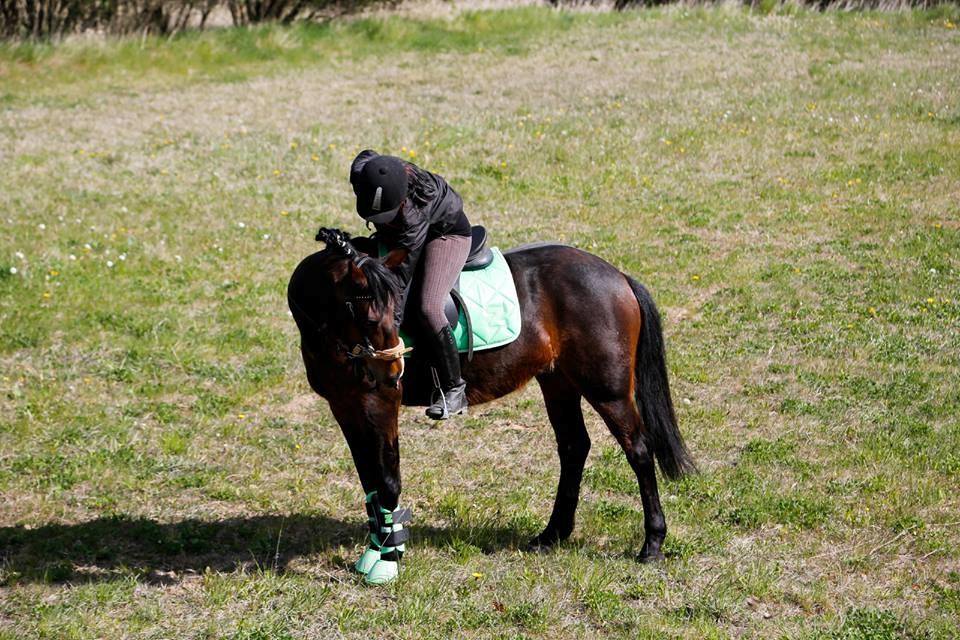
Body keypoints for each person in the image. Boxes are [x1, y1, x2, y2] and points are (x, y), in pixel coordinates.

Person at [350, 149, 471, 420]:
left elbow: (400, 280)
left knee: (428, 307)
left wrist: (390, 326)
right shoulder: (364, 171)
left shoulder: (414, 220)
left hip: (446, 234)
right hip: (399, 232)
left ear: (402, 203)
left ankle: (455, 388)